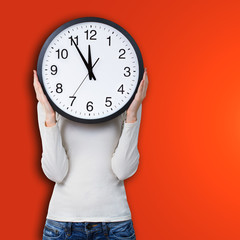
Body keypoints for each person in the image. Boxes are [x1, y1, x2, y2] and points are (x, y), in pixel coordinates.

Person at [33, 68, 148, 240]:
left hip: (115, 226)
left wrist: (132, 113)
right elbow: (56, 172)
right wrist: (50, 116)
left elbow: (124, 170)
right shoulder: (51, 103)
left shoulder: (125, 102)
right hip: (62, 226)